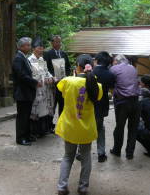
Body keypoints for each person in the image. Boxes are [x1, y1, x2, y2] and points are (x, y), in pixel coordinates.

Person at [56, 54, 102, 195]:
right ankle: (83, 186)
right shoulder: (96, 85)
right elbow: (97, 97)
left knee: (68, 156)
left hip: (70, 126)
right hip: (86, 128)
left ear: (78, 67)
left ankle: (62, 186)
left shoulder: (68, 81)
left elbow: (62, 92)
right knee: (86, 156)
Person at [109, 54, 140, 160]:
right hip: (136, 101)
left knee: (120, 127)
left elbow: (110, 83)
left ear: (116, 61)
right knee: (133, 128)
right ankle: (129, 153)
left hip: (122, 102)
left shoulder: (114, 68)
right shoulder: (133, 68)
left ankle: (117, 150)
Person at [12, 37, 41, 146]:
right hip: (22, 92)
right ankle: (20, 138)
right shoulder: (18, 58)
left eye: (29, 45)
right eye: (27, 45)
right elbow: (21, 75)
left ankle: (27, 135)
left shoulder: (24, 57)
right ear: (21, 46)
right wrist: (34, 82)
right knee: (22, 116)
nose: (29, 47)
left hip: (27, 91)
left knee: (27, 114)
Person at [28, 36, 55, 138]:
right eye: (39, 48)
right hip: (37, 88)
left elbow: (46, 71)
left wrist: (51, 77)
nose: (41, 50)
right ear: (33, 49)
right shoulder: (29, 60)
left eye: (42, 48)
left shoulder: (42, 59)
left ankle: (43, 130)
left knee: (45, 109)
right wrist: (38, 81)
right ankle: (34, 131)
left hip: (45, 88)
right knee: (36, 110)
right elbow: (30, 75)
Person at [43, 35, 71, 131]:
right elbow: (45, 69)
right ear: (52, 43)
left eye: (60, 42)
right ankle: (49, 125)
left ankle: (61, 124)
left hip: (63, 84)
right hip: (53, 84)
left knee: (63, 105)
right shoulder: (47, 54)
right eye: (56, 42)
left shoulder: (64, 54)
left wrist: (66, 76)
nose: (58, 44)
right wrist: (53, 77)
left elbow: (68, 67)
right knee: (52, 105)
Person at [93, 51, 115, 162]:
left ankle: (81, 153)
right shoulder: (110, 74)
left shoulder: (91, 71)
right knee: (100, 128)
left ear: (97, 60)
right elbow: (111, 90)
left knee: (86, 127)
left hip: (89, 105)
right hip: (102, 104)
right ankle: (101, 153)